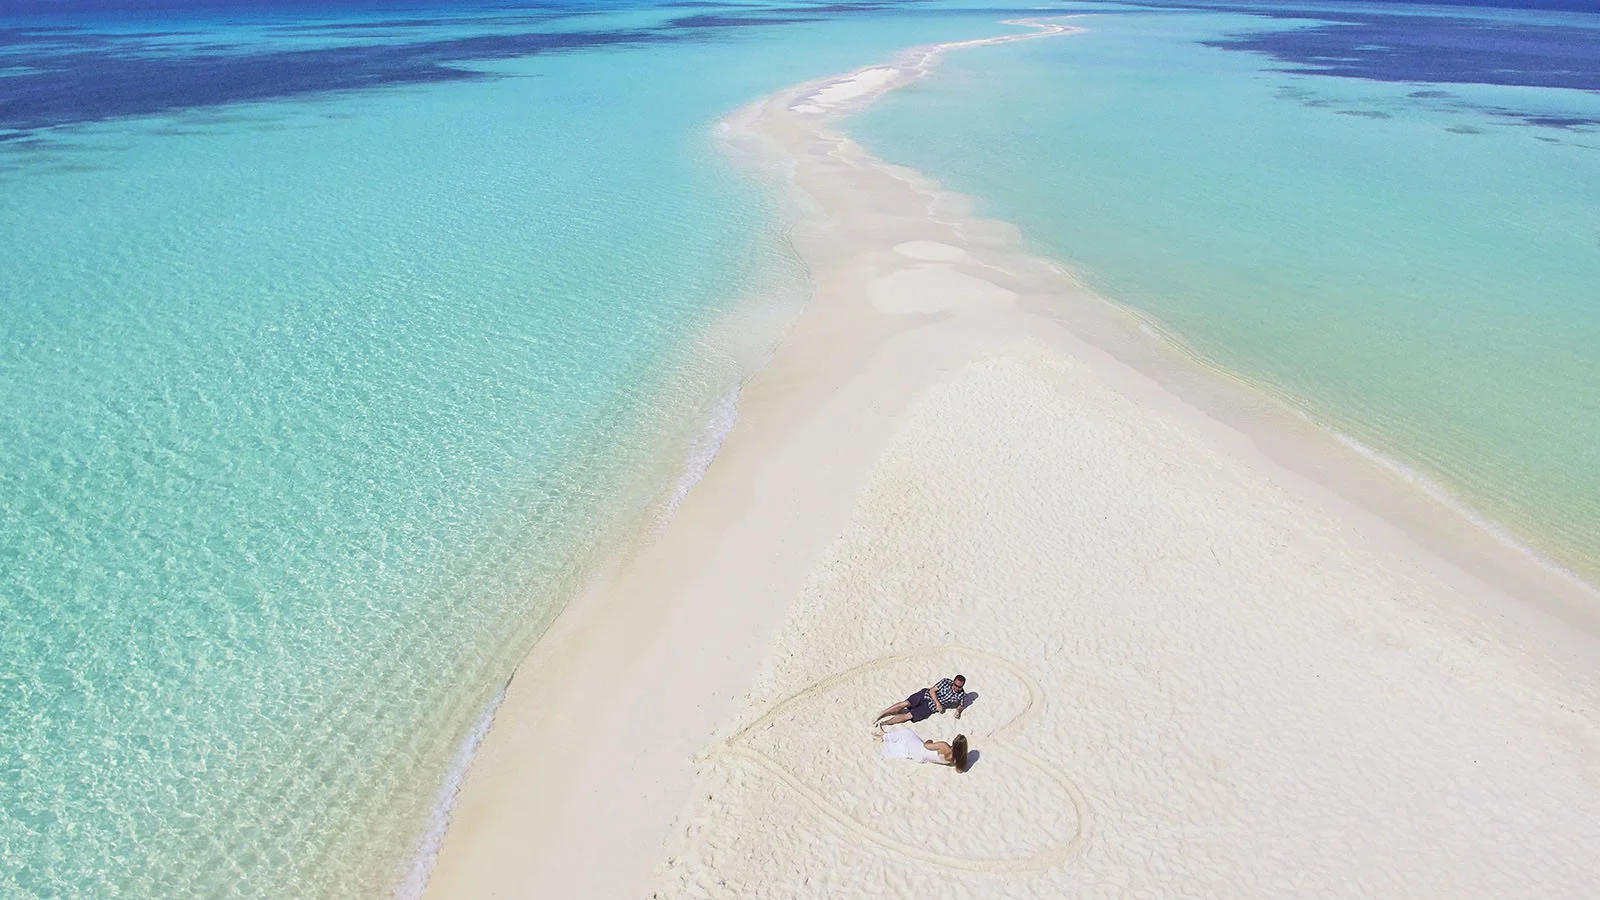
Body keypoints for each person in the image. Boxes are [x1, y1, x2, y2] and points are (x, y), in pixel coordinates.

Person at [874, 674, 966, 727]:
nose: (956, 688)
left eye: (959, 687)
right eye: (955, 685)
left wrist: (958, 711)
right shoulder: (946, 682)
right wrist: (938, 704)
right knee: (906, 703)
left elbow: (961, 705)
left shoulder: (961, 694)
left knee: (908, 716)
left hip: (930, 707)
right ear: (953, 682)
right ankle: (882, 713)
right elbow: (932, 690)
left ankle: (884, 723)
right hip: (925, 695)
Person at [880, 728, 970, 773]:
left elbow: (926, 745)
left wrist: (930, 740)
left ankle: (884, 736)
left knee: (907, 733)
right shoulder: (958, 760)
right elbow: (959, 770)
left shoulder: (944, 746)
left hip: (920, 750)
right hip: (921, 759)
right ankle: (885, 736)